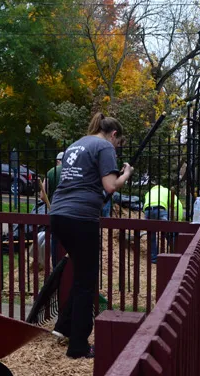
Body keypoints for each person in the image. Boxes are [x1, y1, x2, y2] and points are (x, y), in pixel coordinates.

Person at [49, 112, 133, 359]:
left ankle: (63, 327)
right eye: (119, 143)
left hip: (59, 215)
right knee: (86, 282)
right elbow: (110, 186)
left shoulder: (77, 144)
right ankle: (79, 346)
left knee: (81, 275)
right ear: (114, 135)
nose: (117, 148)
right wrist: (126, 172)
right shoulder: (104, 146)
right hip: (81, 218)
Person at [143, 184, 184, 263]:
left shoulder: (149, 192)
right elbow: (178, 205)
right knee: (169, 231)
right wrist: (178, 220)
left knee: (151, 235)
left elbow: (146, 205)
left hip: (147, 211)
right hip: (160, 210)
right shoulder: (166, 191)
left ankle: (154, 258)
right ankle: (175, 253)